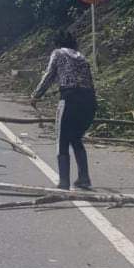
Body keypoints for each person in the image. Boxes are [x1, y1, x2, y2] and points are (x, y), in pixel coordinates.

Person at [30, 30, 96, 190]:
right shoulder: (82, 57)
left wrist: (35, 96)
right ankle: (84, 178)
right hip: (89, 101)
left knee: (62, 140)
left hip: (70, 100)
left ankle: (64, 182)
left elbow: (49, 76)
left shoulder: (58, 53)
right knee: (76, 138)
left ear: (58, 43)